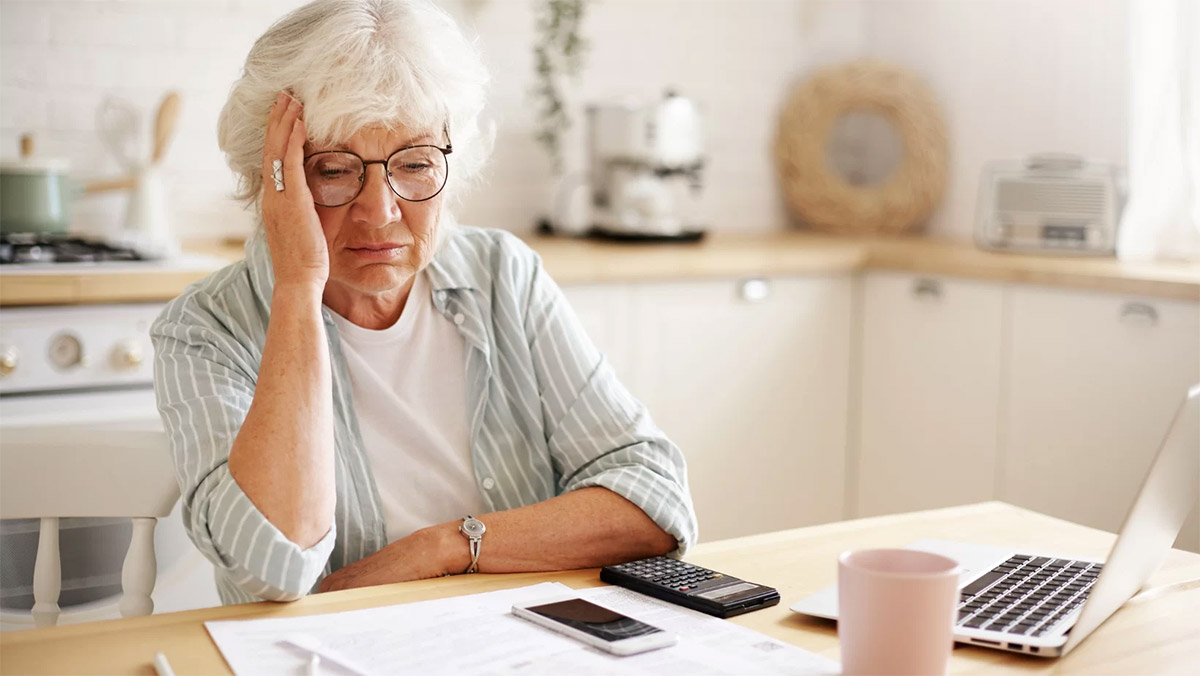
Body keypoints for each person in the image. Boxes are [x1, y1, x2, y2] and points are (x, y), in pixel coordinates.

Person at [152, 0, 697, 605]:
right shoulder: (203, 329)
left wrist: (445, 548)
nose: (381, 211)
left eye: (414, 163)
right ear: (272, 178)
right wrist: (298, 288)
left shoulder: (501, 276)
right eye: (334, 170)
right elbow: (270, 571)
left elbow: (655, 502)